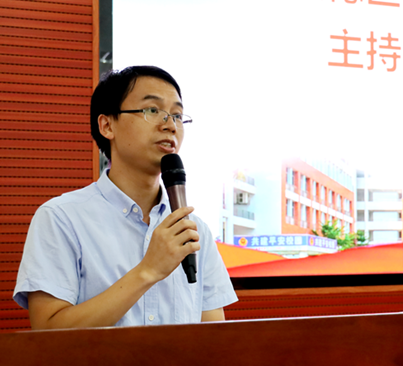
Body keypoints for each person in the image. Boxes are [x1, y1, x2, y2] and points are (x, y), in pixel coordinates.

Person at [13, 65, 237, 329]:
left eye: (177, 115)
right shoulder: (61, 218)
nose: (170, 125)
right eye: (152, 110)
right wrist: (148, 271)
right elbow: (47, 332)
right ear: (107, 125)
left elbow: (214, 339)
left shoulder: (194, 230)